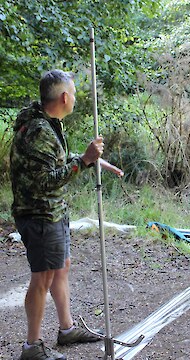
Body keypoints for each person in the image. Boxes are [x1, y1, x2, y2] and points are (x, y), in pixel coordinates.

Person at [10, 69, 124, 360]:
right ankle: (31, 347)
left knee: (61, 267)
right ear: (64, 97)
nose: (74, 97)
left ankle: (67, 329)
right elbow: (45, 180)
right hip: (40, 214)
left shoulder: (47, 123)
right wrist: (84, 160)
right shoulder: (39, 131)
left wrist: (94, 162)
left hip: (53, 210)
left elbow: (53, 164)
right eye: (72, 93)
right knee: (43, 277)